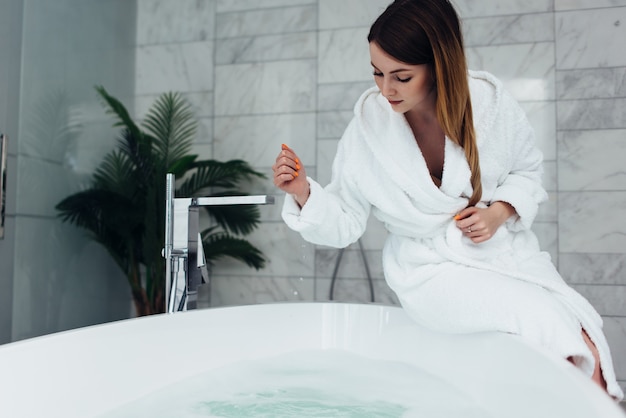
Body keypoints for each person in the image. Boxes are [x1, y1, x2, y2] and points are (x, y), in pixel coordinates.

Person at [272, 0, 623, 401]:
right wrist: (302, 191)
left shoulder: (487, 103)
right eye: (377, 73)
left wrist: (498, 213)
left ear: (439, 65)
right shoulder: (369, 126)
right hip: (428, 269)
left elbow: (526, 172)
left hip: (497, 253)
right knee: (543, 319)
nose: (386, 89)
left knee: (578, 331)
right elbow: (347, 221)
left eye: (402, 77)